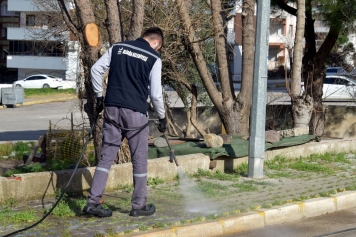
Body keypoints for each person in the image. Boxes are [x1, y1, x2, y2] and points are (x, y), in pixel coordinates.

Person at [83, 27, 167, 217]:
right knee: (139, 160)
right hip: (136, 114)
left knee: (106, 157)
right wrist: (162, 117)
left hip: (112, 108)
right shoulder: (154, 57)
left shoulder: (118, 47)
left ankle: (92, 203)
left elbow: (96, 69)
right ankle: (138, 206)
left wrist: (99, 97)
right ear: (157, 43)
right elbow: (155, 94)